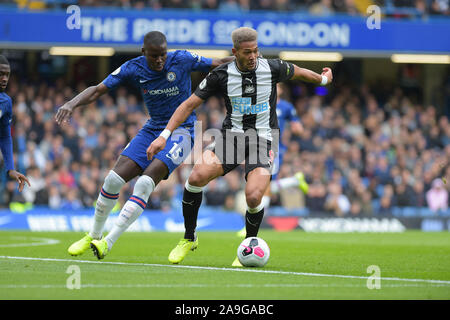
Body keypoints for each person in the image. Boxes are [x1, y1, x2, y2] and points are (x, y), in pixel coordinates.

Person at [147, 27, 333, 266]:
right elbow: (187, 105)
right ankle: (189, 237)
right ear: (235, 52)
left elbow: (300, 73)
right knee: (196, 177)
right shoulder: (220, 75)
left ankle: (248, 245)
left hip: (263, 139)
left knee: (254, 196)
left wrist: (324, 78)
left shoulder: (272, 67)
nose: (253, 56)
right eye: (247, 52)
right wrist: (164, 135)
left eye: (256, 50)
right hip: (231, 138)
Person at [57, 31, 233, 259]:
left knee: (144, 184)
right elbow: (99, 89)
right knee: (112, 180)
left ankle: (108, 243)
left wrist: (254, 62)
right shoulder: (133, 67)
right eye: (154, 57)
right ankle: (93, 235)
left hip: (183, 132)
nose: (159, 60)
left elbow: (218, 63)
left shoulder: (181, 58)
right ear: (144, 53)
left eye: (162, 55)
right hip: (152, 129)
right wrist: (71, 103)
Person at [0, 55, 30, 194]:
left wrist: (10, 168)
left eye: (7, 75)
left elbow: (5, 137)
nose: (5, 79)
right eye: (1, 74)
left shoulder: (6, 102)